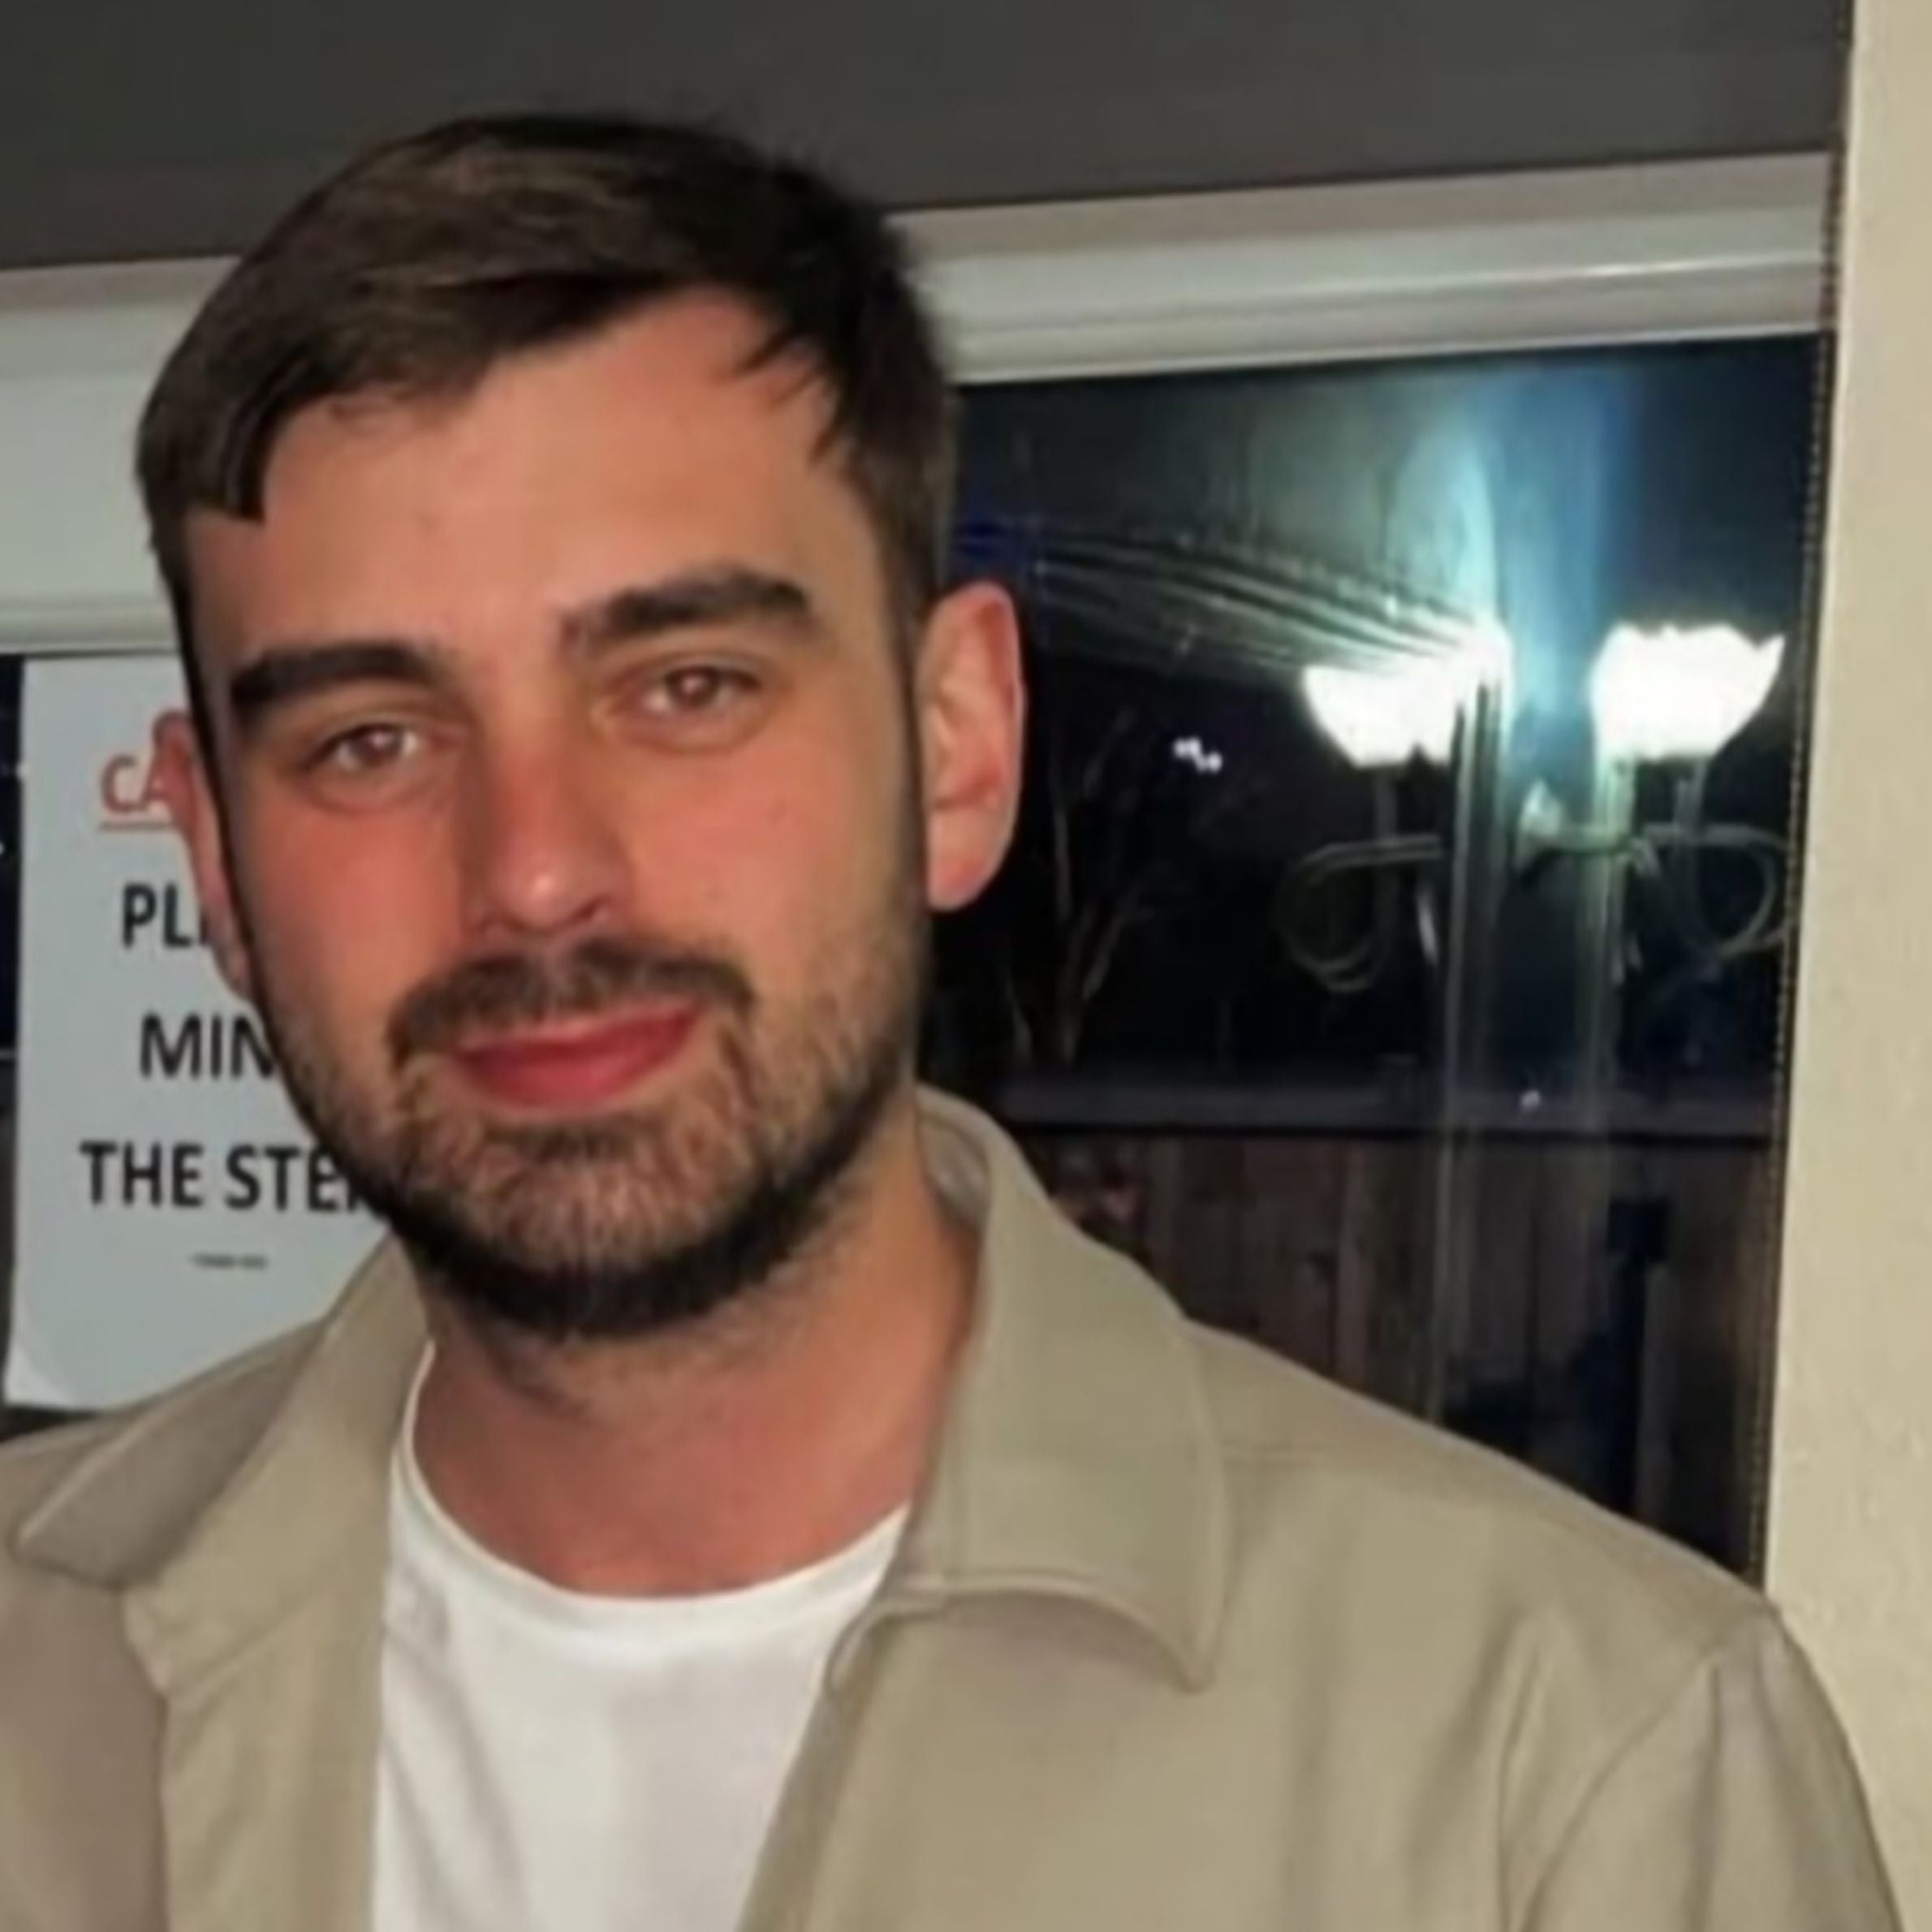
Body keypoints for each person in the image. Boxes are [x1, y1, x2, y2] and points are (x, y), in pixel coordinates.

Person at [0, 113, 1900, 1932]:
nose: (536, 872)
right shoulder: (32, 1676)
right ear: (219, 865)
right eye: (371, 738)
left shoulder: (1556, 1765)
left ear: (958, 743)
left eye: (684, 686)